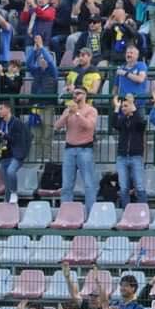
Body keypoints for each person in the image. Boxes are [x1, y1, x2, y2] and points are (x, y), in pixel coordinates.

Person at [54, 86, 99, 214]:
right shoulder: (68, 110)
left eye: (78, 93)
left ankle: (91, 214)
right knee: (67, 185)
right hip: (69, 149)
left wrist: (77, 114)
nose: (75, 96)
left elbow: (90, 126)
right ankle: (66, 214)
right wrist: (67, 114)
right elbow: (57, 126)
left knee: (89, 184)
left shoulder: (91, 110)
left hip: (85, 149)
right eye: (74, 93)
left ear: (85, 95)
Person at [111, 94, 148, 208]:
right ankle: (126, 213)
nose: (123, 108)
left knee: (140, 186)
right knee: (124, 187)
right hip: (122, 157)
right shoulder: (122, 120)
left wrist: (134, 110)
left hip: (136, 156)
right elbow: (114, 124)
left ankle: (143, 212)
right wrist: (116, 108)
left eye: (125, 106)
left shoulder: (137, 119)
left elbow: (141, 124)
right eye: (122, 106)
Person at [0, 102, 30, 203]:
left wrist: (3, 134)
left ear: (8, 109)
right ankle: (8, 205)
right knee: (7, 183)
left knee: (11, 171)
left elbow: (16, 139)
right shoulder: (1, 123)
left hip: (16, 154)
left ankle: (14, 192)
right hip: (4, 154)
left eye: (1, 108)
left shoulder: (17, 123)